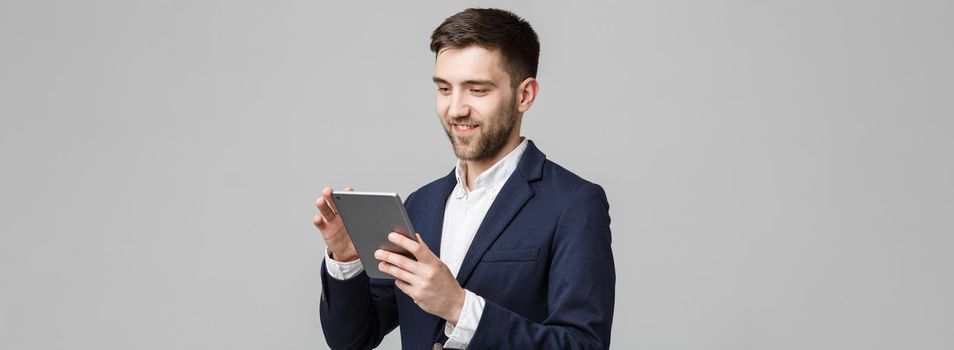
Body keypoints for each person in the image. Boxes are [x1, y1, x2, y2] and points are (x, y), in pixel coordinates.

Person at [312, 8, 615, 349]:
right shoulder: (420, 204)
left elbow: (583, 344)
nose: (455, 108)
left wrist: (459, 306)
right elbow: (351, 340)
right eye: (444, 88)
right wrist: (345, 259)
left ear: (524, 95)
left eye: (477, 90)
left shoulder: (573, 203)